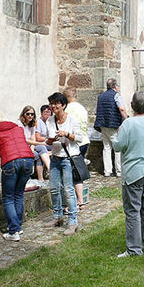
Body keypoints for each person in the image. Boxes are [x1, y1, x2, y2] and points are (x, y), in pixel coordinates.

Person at [111, 90, 144, 257]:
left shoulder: (128, 124)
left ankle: (134, 249)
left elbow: (118, 146)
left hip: (134, 171)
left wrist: (116, 137)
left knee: (133, 210)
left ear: (132, 105)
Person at [0, 115, 35, 242]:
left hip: (11, 162)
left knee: (8, 198)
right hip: (28, 160)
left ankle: (13, 231)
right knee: (18, 194)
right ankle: (18, 227)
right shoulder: (18, 129)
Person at [43, 92, 82, 236]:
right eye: (51, 103)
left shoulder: (72, 120)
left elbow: (79, 138)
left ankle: (73, 222)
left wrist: (66, 134)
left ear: (63, 105)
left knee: (68, 190)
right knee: (53, 188)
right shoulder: (50, 121)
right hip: (55, 157)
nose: (53, 106)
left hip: (67, 157)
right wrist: (51, 140)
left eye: (56, 103)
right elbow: (48, 140)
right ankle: (57, 217)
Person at [93, 78, 127, 177]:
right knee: (117, 147)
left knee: (106, 148)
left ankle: (107, 171)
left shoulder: (101, 96)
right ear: (115, 86)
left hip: (103, 124)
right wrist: (126, 119)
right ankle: (119, 171)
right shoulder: (116, 95)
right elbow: (121, 108)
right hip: (113, 124)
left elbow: (96, 111)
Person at [64, 87, 91, 210]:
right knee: (78, 172)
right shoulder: (82, 108)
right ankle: (80, 200)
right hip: (84, 141)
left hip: (74, 143)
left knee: (71, 173)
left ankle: (75, 202)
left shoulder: (67, 109)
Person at [19, 105, 50, 182]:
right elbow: (24, 140)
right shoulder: (20, 124)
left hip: (30, 145)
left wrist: (32, 148)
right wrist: (41, 143)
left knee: (39, 152)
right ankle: (48, 170)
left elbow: (33, 138)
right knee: (40, 150)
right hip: (22, 146)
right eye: (28, 114)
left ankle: (42, 177)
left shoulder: (32, 124)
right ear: (23, 114)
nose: (30, 116)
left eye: (32, 114)